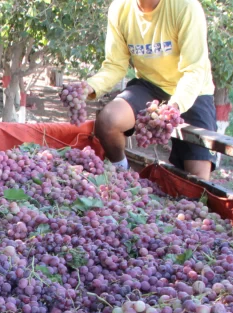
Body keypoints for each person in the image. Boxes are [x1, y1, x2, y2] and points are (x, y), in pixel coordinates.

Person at [84, 0, 217, 179]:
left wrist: (174, 107)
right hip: (150, 86)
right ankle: (121, 175)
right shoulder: (120, 8)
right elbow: (115, 65)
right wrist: (90, 86)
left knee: (198, 179)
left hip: (192, 91)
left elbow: (194, 70)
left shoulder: (186, 6)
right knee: (108, 121)